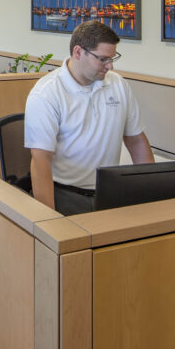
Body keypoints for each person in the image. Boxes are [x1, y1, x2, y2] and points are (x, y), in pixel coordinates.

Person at [24, 20, 154, 214]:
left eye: (113, 58)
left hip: (109, 193)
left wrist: (152, 196)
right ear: (78, 52)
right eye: (102, 59)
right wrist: (47, 219)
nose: (109, 66)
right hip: (65, 195)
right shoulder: (47, 93)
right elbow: (41, 159)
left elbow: (136, 141)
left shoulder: (118, 85)